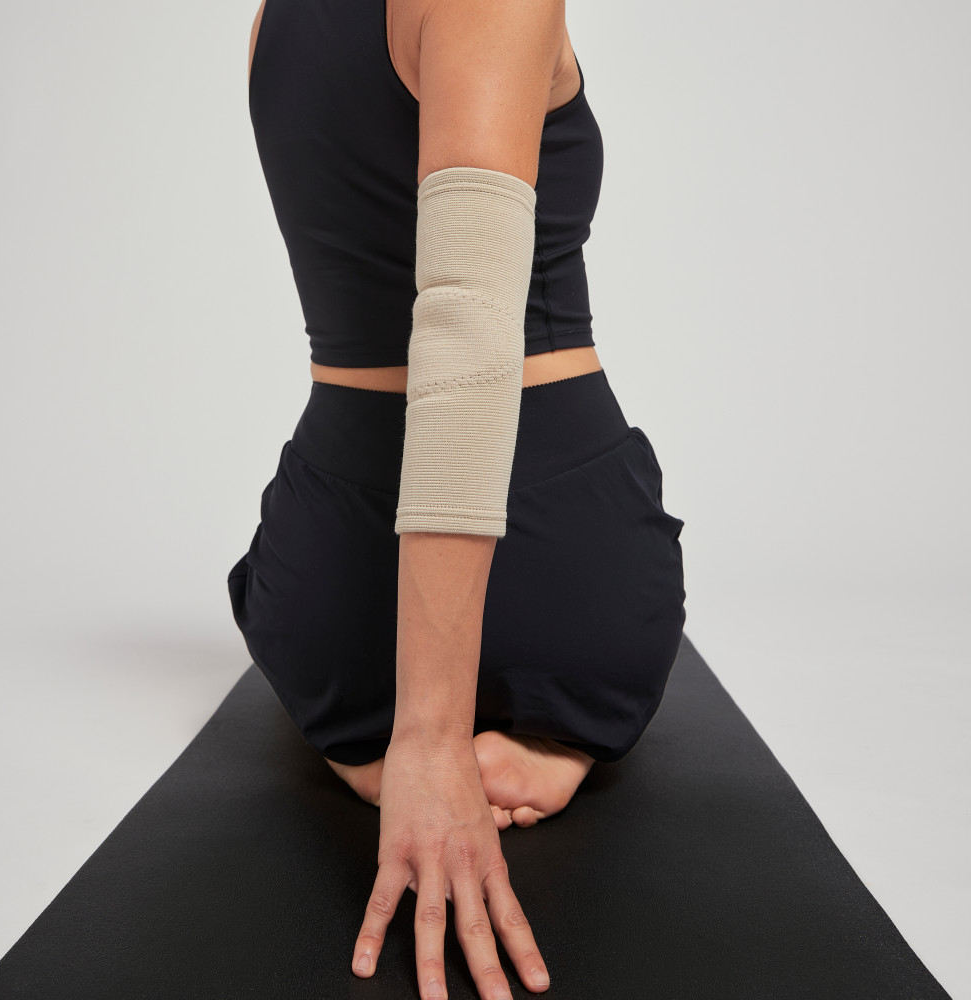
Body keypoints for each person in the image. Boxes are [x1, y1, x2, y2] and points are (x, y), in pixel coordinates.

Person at [227, 0, 687, 997]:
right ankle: (533, 735)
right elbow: (467, 337)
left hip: (327, 612)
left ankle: (375, 738)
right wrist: (432, 745)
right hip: (559, 575)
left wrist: (388, 728)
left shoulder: (274, 17)